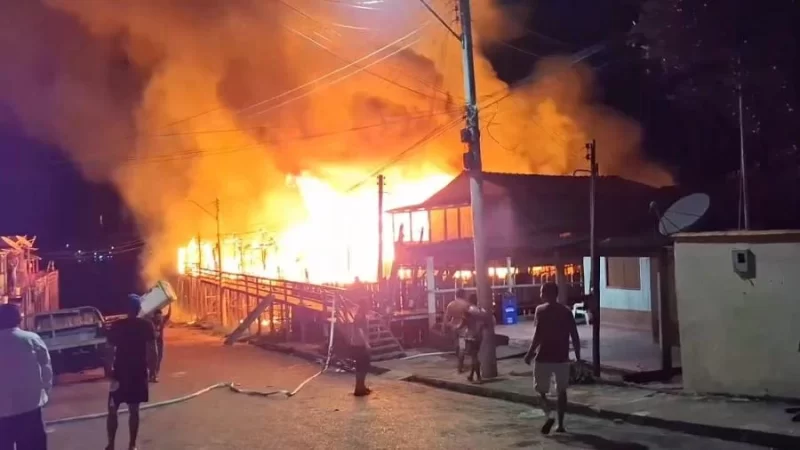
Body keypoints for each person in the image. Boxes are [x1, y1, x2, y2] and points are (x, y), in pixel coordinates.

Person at [524, 282, 581, 435]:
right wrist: (578, 357)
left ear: (547, 294)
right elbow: (575, 336)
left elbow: (538, 335)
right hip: (562, 357)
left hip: (544, 357)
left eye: (542, 291)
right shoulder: (566, 312)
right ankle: (561, 425)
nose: (540, 294)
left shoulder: (540, 310)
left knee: (540, 392)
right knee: (562, 392)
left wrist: (529, 354)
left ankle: (549, 415)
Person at [105, 295, 158, 450]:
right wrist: (152, 370)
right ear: (139, 308)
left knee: (112, 409)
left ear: (126, 309)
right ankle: (132, 445)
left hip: (119, 372)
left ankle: (111, 444)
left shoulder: (117, 326)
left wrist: (109, 370)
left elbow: (108, 349)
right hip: (138, 372)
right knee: (134, 410)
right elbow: (153, 350)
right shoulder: (146, 326)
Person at [0, 303, 52, 450]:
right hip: (30, 408)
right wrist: (44, 395)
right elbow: (46, 370)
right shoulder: (32, 339)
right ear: (19, 319)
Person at [444, 289, 470, 372]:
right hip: (463, 327)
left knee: (456, 346)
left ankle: (460, 363)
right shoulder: (466, 305)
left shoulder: (450, 305)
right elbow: (468, 318)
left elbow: (446, 319)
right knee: (462, 347)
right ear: (464, 295)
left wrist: (450, 325)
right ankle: (460, 365)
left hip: (453, 327)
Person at [463, 294, 487, 384]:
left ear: (469, 300)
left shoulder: (469, 311)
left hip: (470, 336)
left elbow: (464, 323)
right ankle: (471, 375)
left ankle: (479, 377)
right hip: (479, 336)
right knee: (475, 355)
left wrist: (454, 327)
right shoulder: (482, 310)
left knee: (474, 357)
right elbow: (488, 322)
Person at [351, 301, 372, 397]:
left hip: (357, 344)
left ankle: (361, 387)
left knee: (361, 366)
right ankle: (359, 389)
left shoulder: (360, 315)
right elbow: (360, 330)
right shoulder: (360, 316)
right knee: (363, 366)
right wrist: (366, 343)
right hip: (360, 344)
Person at [149, 307, 171, 383]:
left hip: (160, 342)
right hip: (152, 343)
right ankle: (153, 374)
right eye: (157, 316)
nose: (159, 318)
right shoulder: (151, 321)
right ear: (154, 316)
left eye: (160, 316)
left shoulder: (162, 321)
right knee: (153, 358)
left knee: (159, 357)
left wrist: (170, 305)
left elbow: (168, 315)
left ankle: (154, 374)